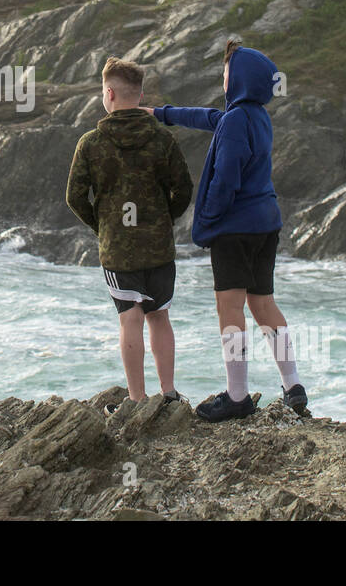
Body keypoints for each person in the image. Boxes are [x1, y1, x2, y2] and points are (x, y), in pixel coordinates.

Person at [146, 40, 308, 422]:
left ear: (240, 79)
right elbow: (207, 118)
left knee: (229, 308)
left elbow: (226, 179)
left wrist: (209, 221)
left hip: (236, 229)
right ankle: (294, 386)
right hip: (266, 224)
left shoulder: (236, 121)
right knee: (263, 303)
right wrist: (159, 113)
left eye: (226, 72)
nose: (223, 78)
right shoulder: (254, 116)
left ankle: (237, 396)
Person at [66, 57, 193, 413]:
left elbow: (75, 197)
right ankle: (168, 392)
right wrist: (163, 220)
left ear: (109, 93)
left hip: (117, 249)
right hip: (158, 246)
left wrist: (101, 226)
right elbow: (183, 189)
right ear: (139, 95)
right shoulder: (162, 139)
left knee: (130, 317)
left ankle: (136, 400)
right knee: (159, 316)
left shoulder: (91, 143)